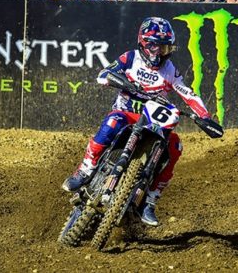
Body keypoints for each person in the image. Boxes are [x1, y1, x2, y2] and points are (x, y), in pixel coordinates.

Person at [62, 17, 215, 226]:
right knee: (112, 122)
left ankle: (150, 200)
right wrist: (121, 82)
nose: (159, 53)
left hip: (152, 122)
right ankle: (86, 169)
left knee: (175, 146)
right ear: (144, 44)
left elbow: (188, 94)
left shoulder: (169, 69)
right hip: (126, 115)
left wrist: (204, 117)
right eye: (155, 46)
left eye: (165, 47)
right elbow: (103, 74)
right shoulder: (130, 58)